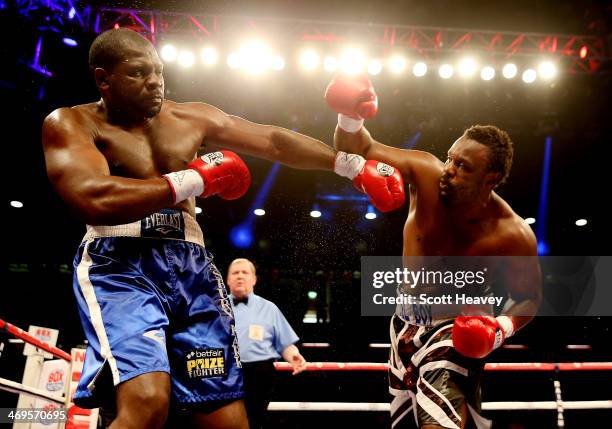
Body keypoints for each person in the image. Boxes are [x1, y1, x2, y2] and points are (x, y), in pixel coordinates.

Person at [41, 28, 406, 429]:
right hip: (122, 267)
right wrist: (192, 181)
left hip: (191, 270)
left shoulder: (189, 117)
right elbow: (91, 197)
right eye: (138, 73)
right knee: (147, 404)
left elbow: (273, 141)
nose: (154, 82)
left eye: (159, 71)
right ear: (102, 79)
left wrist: (351, 167)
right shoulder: (71, 122)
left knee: (224, 416)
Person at [325, 75, 542, 429]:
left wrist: (500, 328)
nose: (449, 170)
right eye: (450, 158)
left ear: (492, 178)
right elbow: (356, 150)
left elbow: (529, 298)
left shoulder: (511, 233)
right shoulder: (426, 173)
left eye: (463, 167)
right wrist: (350, 115)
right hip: (402, 325)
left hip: (454, 332)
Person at [226, 258, 306, 429]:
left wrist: (294, 355)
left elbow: (284, 341)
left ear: (254, 279)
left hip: (260, 373)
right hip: (226, 372)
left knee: (255, 421)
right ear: (227, 279)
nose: (240, 276)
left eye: (245, 272)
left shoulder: (269, 308)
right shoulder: (217, 307)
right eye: (235, 272)